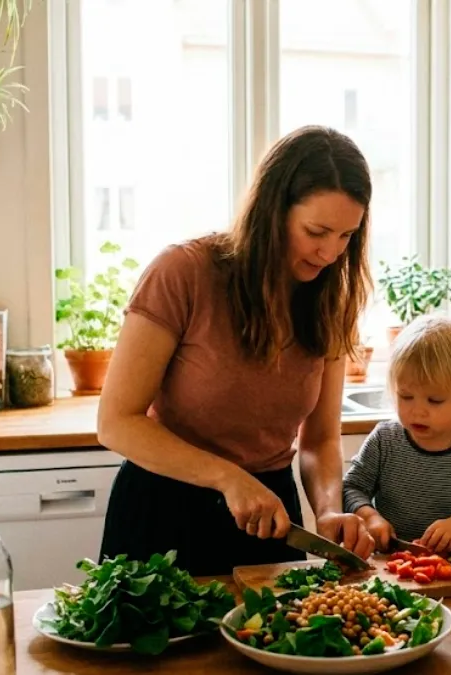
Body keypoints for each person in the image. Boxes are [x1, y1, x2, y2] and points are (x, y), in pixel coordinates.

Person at [96, 125, 377, 576]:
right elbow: (116, 423)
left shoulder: (330, 300)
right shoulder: (183, 273)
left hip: (270, 521)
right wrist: (227, 477)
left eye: (346, 236)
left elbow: (320, 439)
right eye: (316, 231)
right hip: (162, 512)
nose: (330, 253)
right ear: (272, 210)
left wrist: (327, 510)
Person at [343, 315, 451, 556]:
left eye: (435, 400)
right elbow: (351, 488)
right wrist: (369, 517)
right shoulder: (384, 441)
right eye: (406, 396)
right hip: (390, 564)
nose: (418, 411)